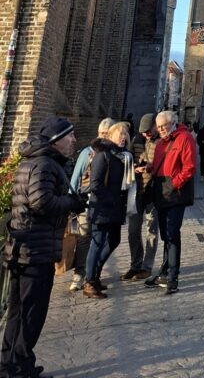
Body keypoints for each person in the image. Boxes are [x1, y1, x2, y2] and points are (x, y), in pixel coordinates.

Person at [1, 116, 83, 378]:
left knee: (18, 311)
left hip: (25, 247)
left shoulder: (33, 160)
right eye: (69, 136)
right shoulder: (45, 163)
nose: (74, 140)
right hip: (35, 249)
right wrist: (72, 203)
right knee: (31, 313)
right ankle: (20, 368)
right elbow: (41, 202)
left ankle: (10, 365)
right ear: (56, 140)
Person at [144, 110, 198, 294]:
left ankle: (173, 276)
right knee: (165, 234)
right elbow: (159, 165)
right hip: (161, 191)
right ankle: (164, 271)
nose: (161, 129)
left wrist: (175, 183)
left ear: (173, 122)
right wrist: (149, 168)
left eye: (164, 126)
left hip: (176, 193)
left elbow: (189, 167)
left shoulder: (185, 138)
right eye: (158, 127)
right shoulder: (160, 143)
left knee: (173, 234)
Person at [83, 122, 132, 299]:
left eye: (125, 134)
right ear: (110, 135)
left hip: (115, 209)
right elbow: (95, 183)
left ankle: (95, 274)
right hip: (102, 208)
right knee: (97, 244)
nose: (123, 137)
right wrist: (111, 199)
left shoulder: (121, 157)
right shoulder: (102, 155)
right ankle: (89, 281)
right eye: (120, 133)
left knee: (114, 240)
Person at [68, 116, 114, 292]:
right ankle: (79, 274)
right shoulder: (87, 152)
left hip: (104, 204)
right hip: (86, 200)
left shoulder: (113, 154)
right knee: (84, 238)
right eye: (101, 133)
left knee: (101, 239)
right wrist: (72, 199)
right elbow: (76, 177)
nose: (103, 137)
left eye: (106, 134)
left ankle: (92, 273)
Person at [123, 112, 158, 282]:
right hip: (136, 191)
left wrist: (152, 168)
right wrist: (135, 168)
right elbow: (127, 162)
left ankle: (147, 267)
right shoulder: (136, 140)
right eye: (143, 132)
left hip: (153, 191)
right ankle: (135, 264)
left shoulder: (160, 142)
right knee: (133, 231)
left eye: (149, 131)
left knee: (152, 230)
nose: (146, 135)